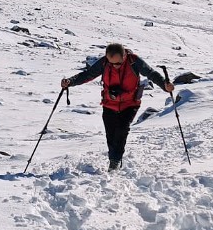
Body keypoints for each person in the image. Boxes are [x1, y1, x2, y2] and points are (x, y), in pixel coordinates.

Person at [62, 43, 173, 171]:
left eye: (118, 63)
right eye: (112, 63)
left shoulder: (134, 61)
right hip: (109, 103)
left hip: (130, 104)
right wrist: (70, 81)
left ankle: (115, 161)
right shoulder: (104, 63)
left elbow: (151, 74)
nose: (114, 66)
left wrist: (165, 86)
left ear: (124, 56)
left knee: (121, 130)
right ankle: (113, 158)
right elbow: (88, 75)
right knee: (111, 134)